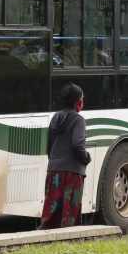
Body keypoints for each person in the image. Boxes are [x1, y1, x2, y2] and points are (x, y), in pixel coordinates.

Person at [39, 83, 91, 229]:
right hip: (72, 173)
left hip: (54, 172)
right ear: (77, 103)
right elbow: (77, 145)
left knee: (51, 213)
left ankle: (43, 240)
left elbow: (49, 145)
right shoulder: (78, 120)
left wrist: (55, 162)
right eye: (81, 98)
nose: (82, 101)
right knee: (69, 215)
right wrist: (86, 157)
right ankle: (67, 243)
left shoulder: (55, 117)